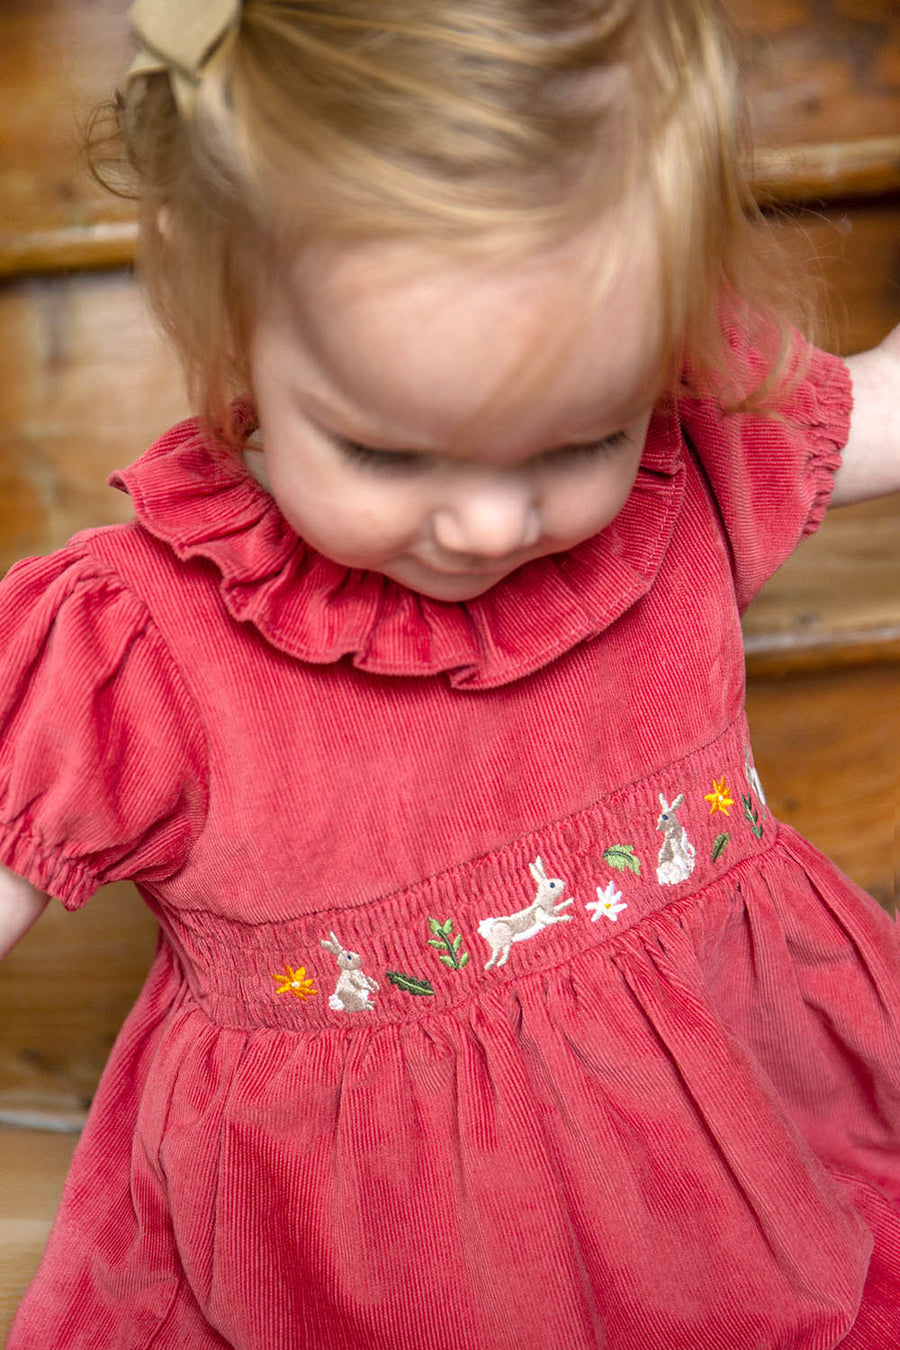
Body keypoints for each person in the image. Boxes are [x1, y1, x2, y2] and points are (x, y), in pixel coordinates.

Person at [2, 0, 899, 1345]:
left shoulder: (692, 460)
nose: (490, 526)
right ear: (227, 309)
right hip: (372, 1270)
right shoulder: (139, 643)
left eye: (578, 441)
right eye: (388, 453)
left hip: (753, 1179)